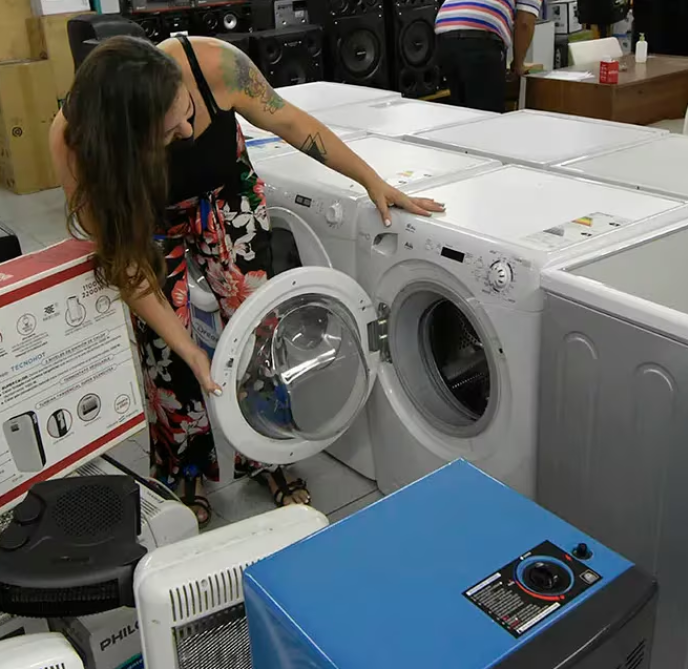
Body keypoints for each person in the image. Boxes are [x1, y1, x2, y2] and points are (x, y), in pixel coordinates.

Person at [49, 35, 443, 528]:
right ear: (126, 141)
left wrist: (372, 181)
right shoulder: (75, 142)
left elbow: (294, 123)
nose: (188, 129)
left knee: (258, 327)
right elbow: (128, 267)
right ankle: (185, 467)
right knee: (165, 353)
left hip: (225, 194)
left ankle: (267, 452)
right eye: (170, 132)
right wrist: (191, 350)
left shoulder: (215, 64)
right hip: (147, 214)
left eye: (188, 111)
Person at [435, 0, 543, 113]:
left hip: (444, 33)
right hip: (478, 38)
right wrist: (518, 64)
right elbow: (525, 23)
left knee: (461, 111)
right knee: (487, 114)